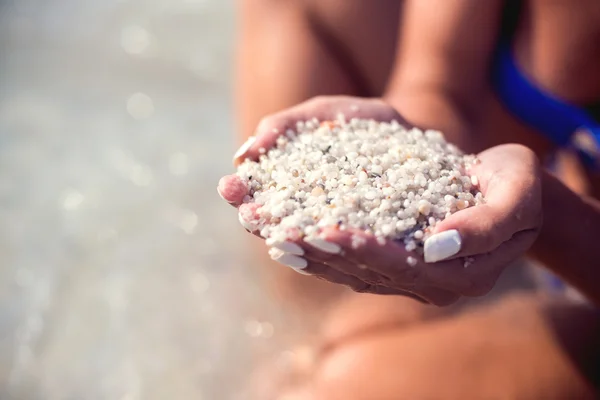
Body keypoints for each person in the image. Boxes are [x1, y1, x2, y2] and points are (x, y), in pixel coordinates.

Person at [220, 0, 600, 397]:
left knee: (335, 387)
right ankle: (311, 322)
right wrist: (408, 142)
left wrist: (548, 216)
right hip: (547, 171)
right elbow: (436, 85)